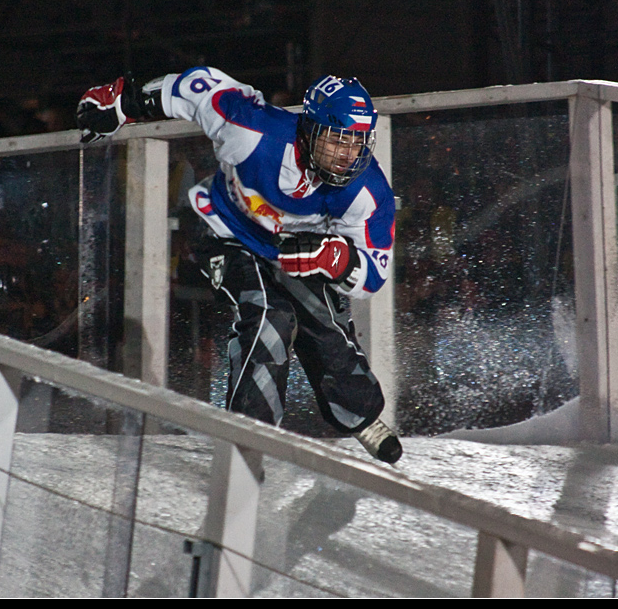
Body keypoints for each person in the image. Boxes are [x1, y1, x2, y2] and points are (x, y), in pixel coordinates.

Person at [76, 67, 402, 464]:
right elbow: (196, 88)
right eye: (336, 140)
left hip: (287, 249)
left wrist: (336, 259)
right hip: (220, 230)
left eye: (357, 142)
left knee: (321, 317)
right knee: (271, 315)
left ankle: (359, 413)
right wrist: (124, 100)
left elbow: (373, 275)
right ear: (307, 129)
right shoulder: (252, 129)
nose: (348, 155)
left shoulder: (368, 192)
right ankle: (246, 444)